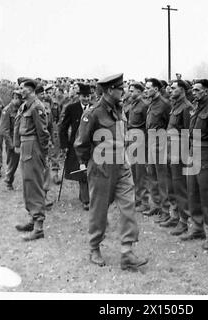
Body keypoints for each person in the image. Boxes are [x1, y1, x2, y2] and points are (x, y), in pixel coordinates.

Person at [74, 73, 148, 270]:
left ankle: (127, 252)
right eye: (120, 88)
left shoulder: (119, 109)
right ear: (108, 90)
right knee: (99, 209)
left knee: (128, 206)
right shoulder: (94, 113)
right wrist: (90, 164)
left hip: (122, 164)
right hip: (101, 166)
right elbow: (81, 144)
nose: (123, 91)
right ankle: (94, 247)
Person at [180, 79, 208, 246]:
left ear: (206, 91)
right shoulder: (197, 107)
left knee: (207, 193)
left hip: (205, 152)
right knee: (192, 191)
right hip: (193, 149)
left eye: (197, 90)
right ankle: (197, 227)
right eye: (193, 90)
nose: (193, 93)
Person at [13, 78, 50, 241]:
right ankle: (32, 218)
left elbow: (43, 133)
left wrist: (43, 153)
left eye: (22, 88)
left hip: (34, 146)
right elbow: (17, 126)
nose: (20, 90)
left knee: (34, 184)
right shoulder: (24, 106)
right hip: (25, 145)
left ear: (30, 89)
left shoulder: (37, 106)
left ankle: (39, 226)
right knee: (28, 183)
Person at [160, 80, 191, 233]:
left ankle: (184, 220)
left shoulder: (186, 107)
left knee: (180, 187)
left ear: (183, 89)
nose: (170, 90)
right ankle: (174, 215)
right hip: (170, 150)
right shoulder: (175, 106)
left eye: (173, 88)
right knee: (171, 186)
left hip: (179, 152)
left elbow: (187, 133)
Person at [58, 83, 91, 210]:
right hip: (76, 145)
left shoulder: (94, 108)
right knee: (81, 170)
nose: (86, 99)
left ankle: (85, 196)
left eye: (88, 96)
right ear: (79, 96)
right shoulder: (71, 108)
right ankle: (86, 200)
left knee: (88, 170)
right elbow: (63, 128)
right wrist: (64, 144)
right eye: (84, 96)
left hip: (90, 146)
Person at [143, 78, 171, 222]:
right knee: (152, 175)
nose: (146, 90)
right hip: (151, 141)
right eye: (145, 88)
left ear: (156, 89)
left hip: (160, 142)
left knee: (161, 178)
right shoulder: (151, 103)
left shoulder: (164, 104)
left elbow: (168, 125)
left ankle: (166, 210)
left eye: (148, 88)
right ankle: (156, 205)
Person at [126, 81, 150, 213]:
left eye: (132, 90)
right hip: (132, 138)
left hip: (140, 139)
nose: (130, 92)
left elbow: (147, 125)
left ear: (139, 92)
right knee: (134, 171)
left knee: (141, 173)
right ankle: (136, 199)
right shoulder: (133, 104)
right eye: (129, 90)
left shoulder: (144, 105)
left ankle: (144, 201)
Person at [0, 90, 22, 190]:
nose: (21, 101)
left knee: (15, 162)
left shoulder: (20, 109)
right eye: (19, 98)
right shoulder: (7, 110)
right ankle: (8, 181)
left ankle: (9, 180)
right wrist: (11, 145)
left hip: (20, 139)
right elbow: (4, 130)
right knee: (12, 162)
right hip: (11, 141)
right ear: (15, 97)